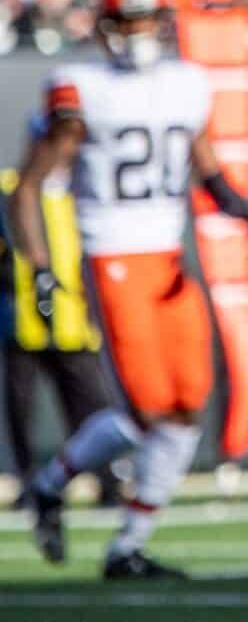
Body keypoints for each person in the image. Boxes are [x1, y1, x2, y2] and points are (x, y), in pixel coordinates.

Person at [13, 0, 248, 578]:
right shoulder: (83, 87)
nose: (140, 32)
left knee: (187, 407)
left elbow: (202, 158)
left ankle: (128, 544)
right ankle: (51, 483)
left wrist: (230, 200)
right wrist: (39, 268)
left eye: (148, 19)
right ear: (107, 27)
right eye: (129, 20)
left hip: (168, 256)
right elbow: (29, 186)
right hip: (113, 253)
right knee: (145, 410)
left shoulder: (185, 83)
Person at [1, 111, 120, 505]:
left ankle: (107, 480)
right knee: (22, 412)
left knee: (91, 407)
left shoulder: (83, 189)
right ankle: (29, 483)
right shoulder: (11, 187)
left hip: (73, 321)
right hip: (22, 319)